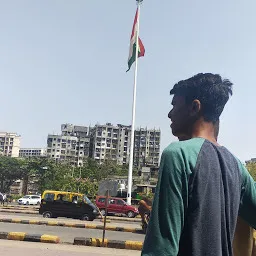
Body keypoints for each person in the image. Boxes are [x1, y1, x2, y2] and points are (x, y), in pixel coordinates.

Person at [142, 73, 256, 256]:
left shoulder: (178, 155)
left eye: (175, 106)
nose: (169, 114)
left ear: (194, 107)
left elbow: (162, 247)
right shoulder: (236, 166)